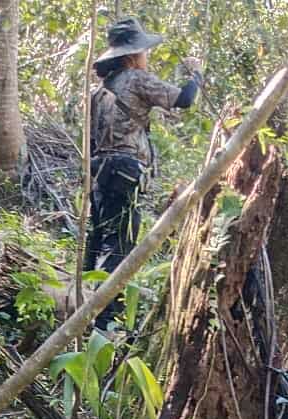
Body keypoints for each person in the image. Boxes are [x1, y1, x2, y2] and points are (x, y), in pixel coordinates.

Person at [85, 18, 201, 305]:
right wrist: (197, 75)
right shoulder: (136, 79)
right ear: (132, 55)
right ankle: (105, 317)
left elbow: (89, 141)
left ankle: (83, 307)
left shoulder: (98, 92)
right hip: (124, 170)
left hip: (98, 171)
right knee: (119, 246)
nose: (146, 56)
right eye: (143, 51)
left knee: (97, 239)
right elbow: (184, 99)